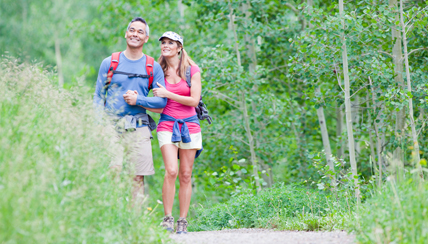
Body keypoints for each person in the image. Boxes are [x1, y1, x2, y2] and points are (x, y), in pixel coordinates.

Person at [93, 17, 167, 207]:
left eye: (140, 31)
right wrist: (99, 125)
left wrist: (139, 100)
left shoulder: (153, 67)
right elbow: (98, 97)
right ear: (126, 34)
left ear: (147, 38)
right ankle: (113, 215)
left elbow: (162, 102)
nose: (135, 34)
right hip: (111, 125)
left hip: (139, 125)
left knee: (137, 177)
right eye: (132, 30)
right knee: (114, 170)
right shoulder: (110, 62)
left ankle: (135, 222)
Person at [143, 31, 202, 234]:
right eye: (163, 42)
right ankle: (167, 218)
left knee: (186, 175)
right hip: (167, 124)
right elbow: (160, 105)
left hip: (190, 126)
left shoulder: (192, 70)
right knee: (172, 171)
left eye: (171, 43)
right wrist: (141, 103)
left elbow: (194, 101)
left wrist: (169, 94)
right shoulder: (157, 71)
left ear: (179, 47)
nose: (166, 45)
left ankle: (182, 221)